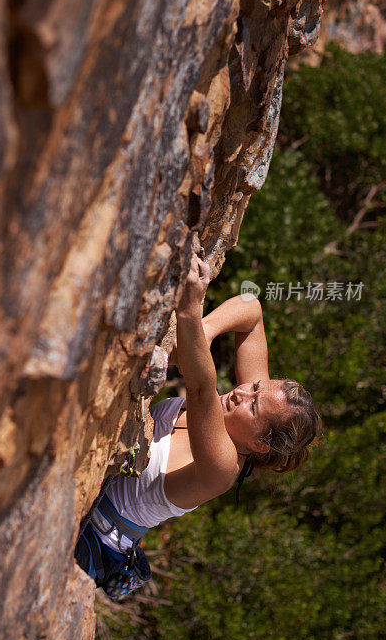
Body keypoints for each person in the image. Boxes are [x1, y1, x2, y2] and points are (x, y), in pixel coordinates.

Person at [75, 254, 322, 595]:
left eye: (253, 405)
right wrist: (205, 331)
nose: (239, 394)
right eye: (253, 386)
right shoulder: (242, 406)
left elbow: (202, 386)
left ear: (260, 444)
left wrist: (191, 308)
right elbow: (251, 309)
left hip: (91, 532)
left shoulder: (222, 466)